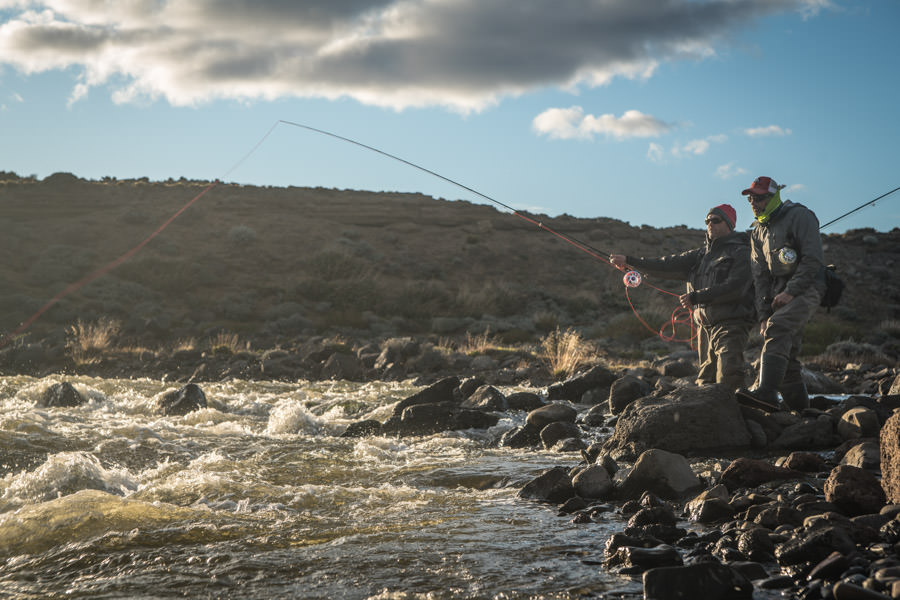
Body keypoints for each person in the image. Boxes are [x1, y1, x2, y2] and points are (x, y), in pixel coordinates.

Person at [610, 204, 754, 390]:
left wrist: (696, 297)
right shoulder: (700, 255)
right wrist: (630, 262)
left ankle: (738, 406)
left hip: (731, 324)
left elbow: (736, 288)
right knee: (706, 381)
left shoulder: (742, 252)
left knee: (729, 376)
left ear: (729, 224)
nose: (710, 224)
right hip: (704, 328)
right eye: (707, 221)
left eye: (715, 220)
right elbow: (665, 264)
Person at [736, 176, 826, 412]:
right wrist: (764, 315)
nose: (754, 203)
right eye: (751, 199)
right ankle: (806, 415)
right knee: (788, 355)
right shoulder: (757, 232)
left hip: (808, 287)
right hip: (779, 294)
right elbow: (760, 278)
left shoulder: (800, 216)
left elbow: (813, 259)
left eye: (759, 198)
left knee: (778, 328)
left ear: (774, 196)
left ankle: (766, 394)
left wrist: (791, 291)